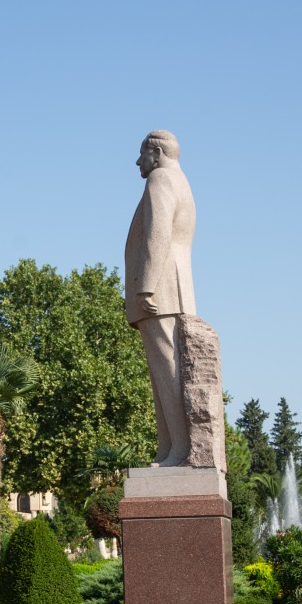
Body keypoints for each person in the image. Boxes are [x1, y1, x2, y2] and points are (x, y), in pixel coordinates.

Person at [124, 129, 197, 467]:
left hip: (162, 291)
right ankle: (169, 449)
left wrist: (147, 285)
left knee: (168, 373)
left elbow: (158, 234)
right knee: (164, 373)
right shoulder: (181, 182)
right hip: (172, 289)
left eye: (142, 154)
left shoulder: (161, 181)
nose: (138, 162)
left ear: (156, 152)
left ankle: (181, 450)